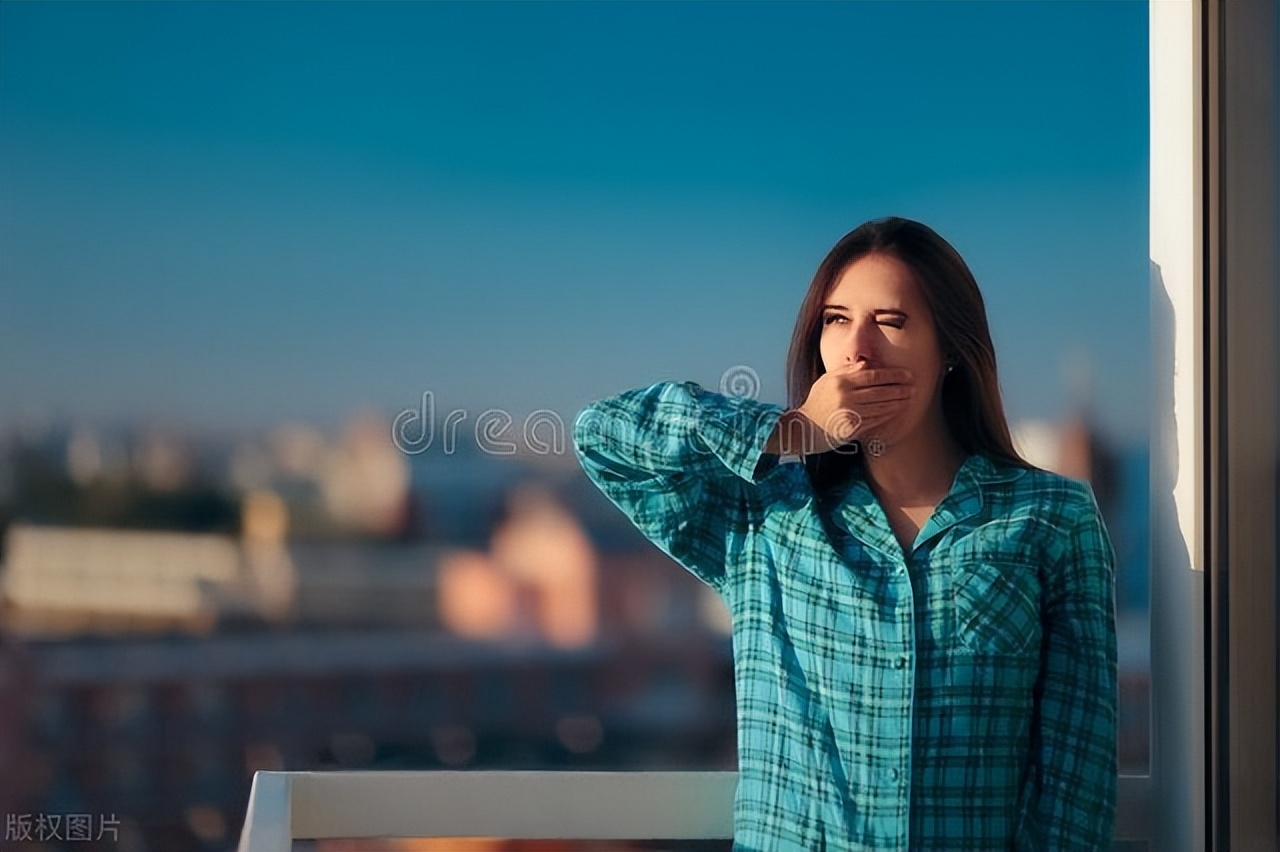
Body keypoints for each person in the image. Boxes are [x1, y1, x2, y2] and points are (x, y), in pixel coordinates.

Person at [571, 216, 1118, 852]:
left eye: (890, 321)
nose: (858, 348)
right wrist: (793, 432)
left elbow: (1076, 783)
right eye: (836, 319)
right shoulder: (765, 512)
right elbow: (600, 434)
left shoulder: (1051, 518)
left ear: (950, 352)